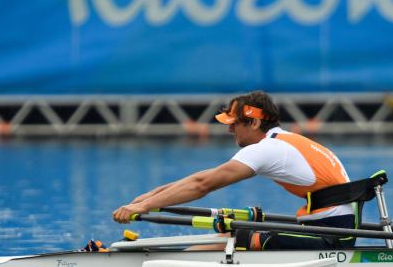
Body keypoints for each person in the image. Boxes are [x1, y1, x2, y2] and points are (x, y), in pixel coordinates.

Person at [112, 90, 356, 250]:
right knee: (227, 237)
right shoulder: (287, 141)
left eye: (235, 124)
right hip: (329, 231)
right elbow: (203, 177)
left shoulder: (268, 148)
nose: (230, 130)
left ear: (254, 122)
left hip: (330, 240)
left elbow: (202, 185)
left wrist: (144, 206)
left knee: (225, 241)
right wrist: (152, 197)